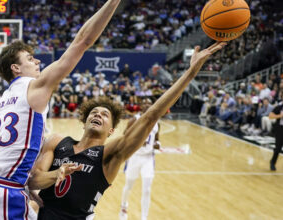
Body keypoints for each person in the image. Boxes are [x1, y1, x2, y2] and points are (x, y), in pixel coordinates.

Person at [28, 42, 226, 219]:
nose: (98, 115)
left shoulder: (108, 156)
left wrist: (191, 72)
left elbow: (150, 117)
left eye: (104, 115)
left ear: (112, 130)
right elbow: (35, 180)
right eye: (94, 112)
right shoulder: (57, 141)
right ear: (85, 121)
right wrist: (57, 174)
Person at [0, 1, 122, 219]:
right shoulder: (34, 88)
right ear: (15, 68)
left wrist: (23, 184)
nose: (37, 61)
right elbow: (82, 41)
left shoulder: (0, 102)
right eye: (29, 58)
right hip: (7, 193)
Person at [119, 98, 161, 220]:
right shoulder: (134, 120)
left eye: (149, 103)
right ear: (140, 106)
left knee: (147, 189)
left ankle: (144, 217)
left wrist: (157, 143)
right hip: (134, 157)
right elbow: (124, 137)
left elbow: (157, 138)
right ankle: (124, 206)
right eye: (144, 103)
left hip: (148, 158)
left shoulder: (156, 122)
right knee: (128, 185)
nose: (147, 105)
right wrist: (135, 141)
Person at [269, 96, 283, 171]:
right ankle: (272, 162)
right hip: (280, 129)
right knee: (278, 148)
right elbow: (270, 116)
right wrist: (279, 116)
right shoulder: (279, 106)